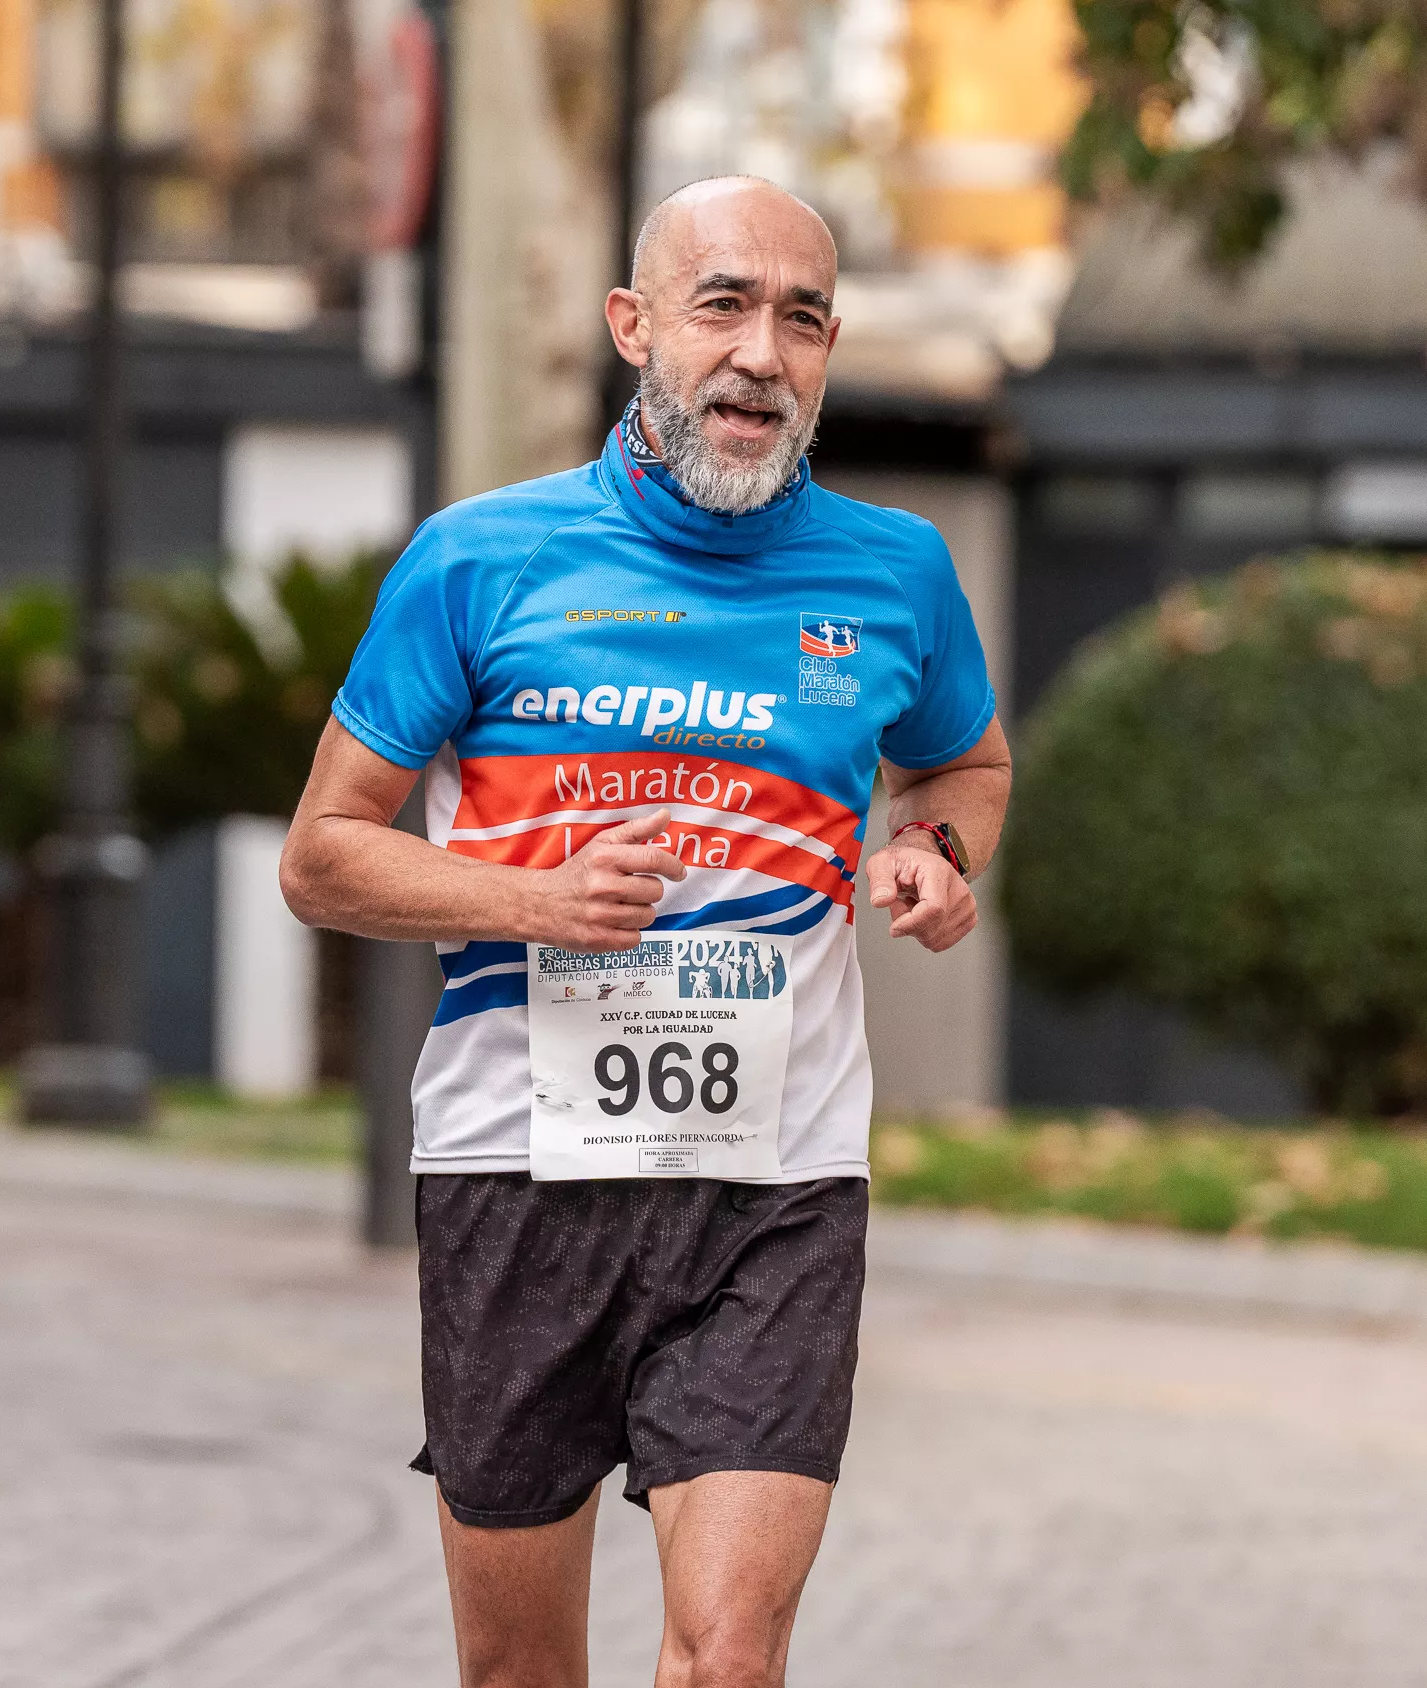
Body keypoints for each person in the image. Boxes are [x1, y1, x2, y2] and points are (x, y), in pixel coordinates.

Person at [280, 175, 1010, 1688]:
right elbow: (322, 859)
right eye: (722, 305)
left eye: (800, 319)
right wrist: (534, 903)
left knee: (730, 1652)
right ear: (635, 327)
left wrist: (933, 849)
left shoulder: (894, 576)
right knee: (519, 1673)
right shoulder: (480, 563)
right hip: (516, 1172)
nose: (760, 353)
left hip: (777, 1182)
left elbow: (966, 763)